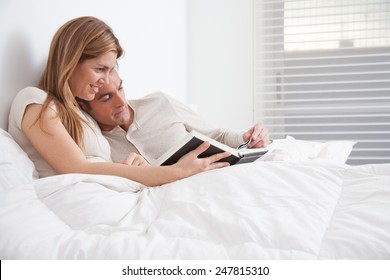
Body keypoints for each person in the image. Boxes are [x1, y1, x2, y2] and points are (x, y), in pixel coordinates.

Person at [7, 16, 231, 187]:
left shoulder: (82, 116)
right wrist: (178, 171)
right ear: (71, 62)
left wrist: (133, 167)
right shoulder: (35, 101)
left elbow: (98, 167)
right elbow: (77, 168)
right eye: (99, 69)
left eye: (111, 70)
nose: (105, 80)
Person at [77, 70, 271, 165]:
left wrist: (246, 138)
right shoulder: (95, 142)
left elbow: (216, 134)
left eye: (120, 87)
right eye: (106, 97)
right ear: (84, 105)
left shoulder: (159, 102)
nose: (121, 102)